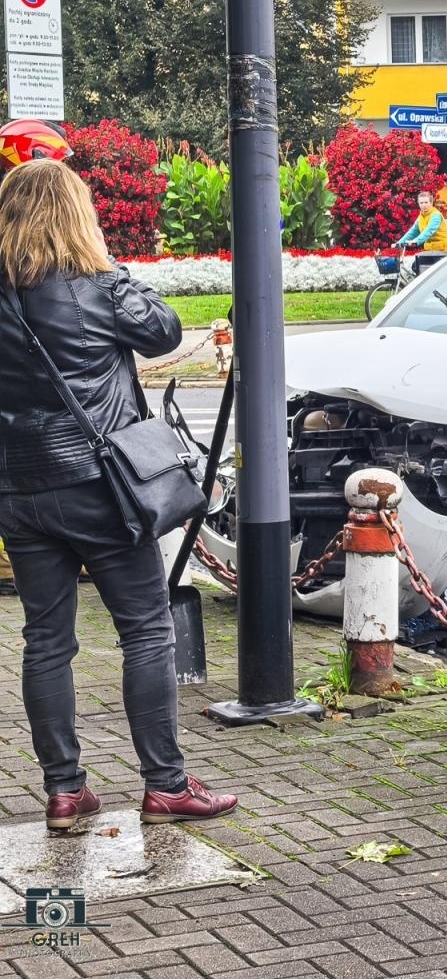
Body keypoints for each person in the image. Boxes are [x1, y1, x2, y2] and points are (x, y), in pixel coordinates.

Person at [0, 155, 238, 831]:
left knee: (45, 640)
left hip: (18, 489)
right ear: (77, 216)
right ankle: (165, 785)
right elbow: (162, 330)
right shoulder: (97, 286)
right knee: (145, 631)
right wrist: (106, 265)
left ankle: (65, 792)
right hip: (99, 491)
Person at [395, 189, 447, 272]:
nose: (424, 205)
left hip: (442, 250)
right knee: (415, 267)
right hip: (431, 250)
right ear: (418, 204)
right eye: (421, 203)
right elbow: (413, 231)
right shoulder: (421, 216)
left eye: (426, 202)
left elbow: (428, 231)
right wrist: (400, 242)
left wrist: (416, 241)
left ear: (431, 203)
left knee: (430, 271)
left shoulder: (435, 215)